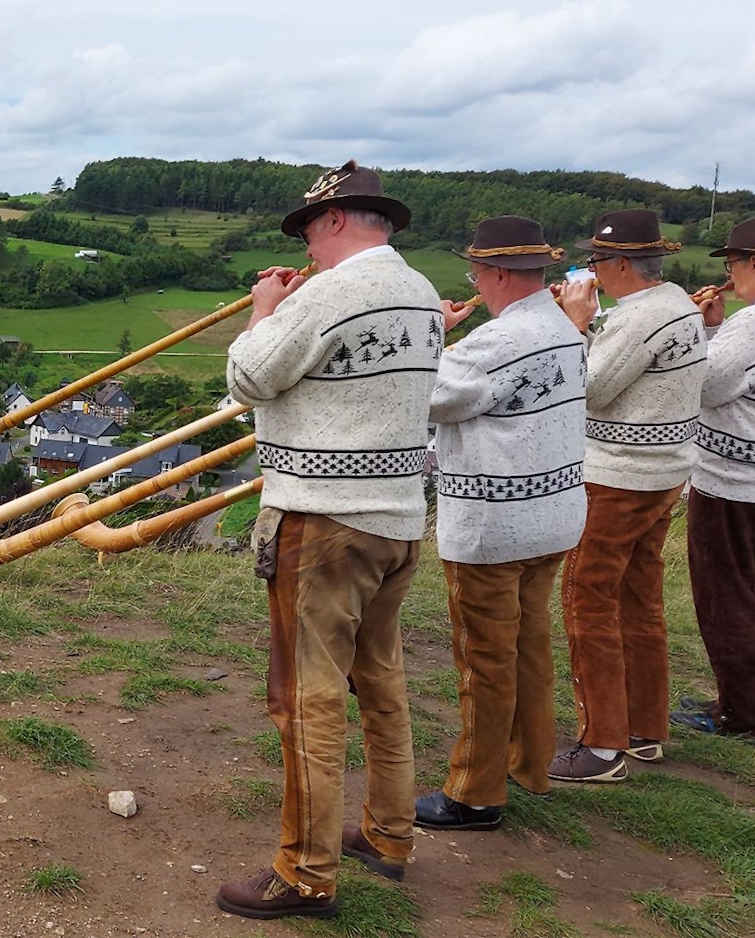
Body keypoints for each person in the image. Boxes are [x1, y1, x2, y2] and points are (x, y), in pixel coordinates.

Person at [216, 160, 442, 920]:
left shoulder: (336, 292)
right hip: (399, 520)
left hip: (325, 522)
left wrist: (265, 308)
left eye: (311, 229)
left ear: (339, 220)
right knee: (380, 683)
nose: (307, 245)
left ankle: (306, 873)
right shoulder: (418, 289)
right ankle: (388, 834)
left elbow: (249, 376)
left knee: (305, 699)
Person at [415, 217, 588, 831]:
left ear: (492, 275)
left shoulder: (496, 342)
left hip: (496, 524)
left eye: (476, 274)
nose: (476, 285)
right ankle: (529, 763)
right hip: (554, 513)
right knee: (528, 645)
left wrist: (432, 331)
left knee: (484, 658)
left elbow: (423, 392)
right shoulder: (564, 329)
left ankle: (475, 792)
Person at [549, 209, 707, 783]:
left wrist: (575, 325)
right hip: (664, 472)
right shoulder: (679, 306)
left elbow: (590, 389)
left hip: (617, 475)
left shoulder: (636, 318)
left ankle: (603, 745)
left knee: (586, 596)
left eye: (594, 261)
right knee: (639, 599)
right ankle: (644, 729)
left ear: (619, 264)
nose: (589, 271)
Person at [672, 215, 755, 743]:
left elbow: (704, 387)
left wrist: (699, 328)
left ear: (754, 262)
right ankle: (743, 701)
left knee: (724, 600)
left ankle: (742, 719)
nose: (730, 275)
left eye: (731, 264)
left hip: (735, 482)